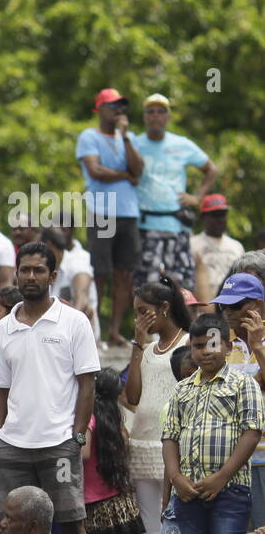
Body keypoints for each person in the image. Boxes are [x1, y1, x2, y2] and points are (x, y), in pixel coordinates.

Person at [0, 242, 99, 534]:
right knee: (10, 529)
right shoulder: (3, 328)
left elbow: (87, 384)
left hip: (60, 443)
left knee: (71, 525)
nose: (31, 276)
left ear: (52, 275)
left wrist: (77, 435)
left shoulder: (75, 321)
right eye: (25, 270)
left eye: (38, 270)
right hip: (13, 445)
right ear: (17, 275)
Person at [163, 312, 261, 534]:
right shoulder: (183, 389)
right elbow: (170, 437)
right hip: (188, 492)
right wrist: (176, 479)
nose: (204, 352)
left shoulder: (241, 383)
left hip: (229, 490)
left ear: (228, 345)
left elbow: (252, 431)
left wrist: (221, 477)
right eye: (198, 345)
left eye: (212, 344)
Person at [125, 274, 192, 534]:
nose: (139, 319)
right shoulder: (147, 349)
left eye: (144, 312)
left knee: (179, 532)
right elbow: (132, 395)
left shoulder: (191, 344)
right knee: (149, 533)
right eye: (136, 313)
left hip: (175, 448)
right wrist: (137, 346)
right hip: (143, 445)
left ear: (165, 308)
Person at [76, 87, 144, 347]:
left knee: (124, 275)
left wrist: (124, 138)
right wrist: (125, 175)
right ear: (100, 109)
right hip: (102, 209)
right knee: (100, 272)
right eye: (113, 106)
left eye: (121, 106)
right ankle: (94, 331)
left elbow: (138, 168)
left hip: (128, 212)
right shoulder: (89, 137)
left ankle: (115, 332)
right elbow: (96, 171)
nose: (118, 111)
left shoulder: (128, 137)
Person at [140, 346, 196, 534]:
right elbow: (168, 458)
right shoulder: (172, 407)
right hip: (179, 491)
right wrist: (166, 499)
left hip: (208, 489)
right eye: (187, 374)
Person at [134, 93, 217, 289]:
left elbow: (211, 169)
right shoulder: (134, 144)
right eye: (151, 111)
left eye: (161, 111)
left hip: (176, 224)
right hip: (145, 225)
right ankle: (145, 321)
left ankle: (179, 321)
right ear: (145, 116)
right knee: (144, 285)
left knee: (180, 285)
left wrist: (197, 197)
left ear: (168, 117)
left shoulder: (181, 144)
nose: (156, 115)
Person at [84, 368, 143, 534]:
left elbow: (84, 453)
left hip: (95, 501)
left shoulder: (88, 419)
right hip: (117, 501)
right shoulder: (114, 420)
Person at [212, 272, 265, 528]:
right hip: (231, 461)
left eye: (235, 306)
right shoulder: (223, 346)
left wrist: (258, 346)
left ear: (257, 305)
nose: (228, 313)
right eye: (224, 306)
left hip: (264, 459)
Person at [190, 194, 242, 304]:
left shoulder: (236, 246)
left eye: (223, 215)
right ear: (203, 217)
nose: (220, 219)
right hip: (201, 306)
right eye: (215, 215)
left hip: (230, 305)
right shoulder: (192, 244)